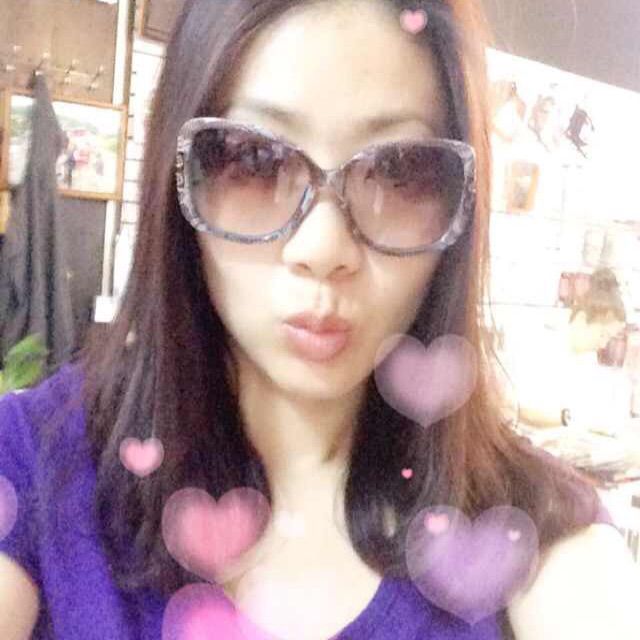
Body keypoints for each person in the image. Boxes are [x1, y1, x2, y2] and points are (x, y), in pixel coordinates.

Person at [1, 1, 639, 639]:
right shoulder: (33, 468)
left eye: (399, 172)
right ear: (179, 177)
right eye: (253, 161)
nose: (323, 248)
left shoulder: (543, 548)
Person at [505, 268, 631, 434]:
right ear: (582, 319)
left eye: (609, 339)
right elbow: (521, 409)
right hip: (522, 438)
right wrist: (571, 418)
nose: (603, 344)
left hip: (561, 442)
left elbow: (586, 406)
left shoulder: (588, 358)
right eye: (603, 334)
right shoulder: (541, 342)